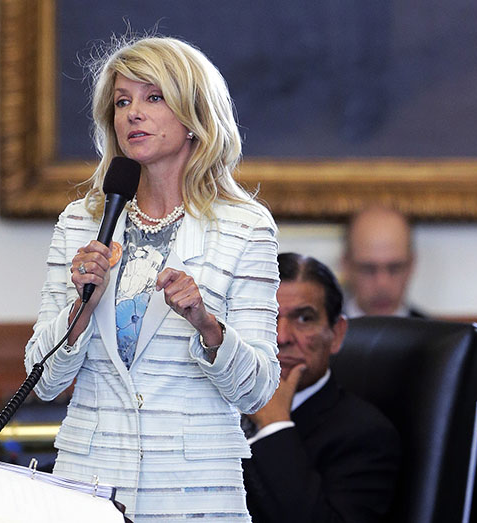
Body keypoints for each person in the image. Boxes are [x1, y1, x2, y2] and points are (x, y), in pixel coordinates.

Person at [24, 36, 281, 521]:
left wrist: (207, 325)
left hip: (193, 495)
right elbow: (44, 380)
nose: (132, 114)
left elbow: (258, 390)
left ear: (194, 116)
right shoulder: (81, 223)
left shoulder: (245, 227)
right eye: (122, 102)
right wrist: (82, 310)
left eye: (153, 97)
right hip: (88, 485)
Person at [242, 252, 399, 523]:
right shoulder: (217, 408)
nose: (281, 337)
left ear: (336, 334)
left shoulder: (365, 436)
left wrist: (275, 426)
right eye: (267, 317)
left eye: (304, 319)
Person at [341, 206, 423, 318]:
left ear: (411, 266)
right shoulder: (320, 334)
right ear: (346, 266)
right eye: (368, 269)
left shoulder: (439, 335)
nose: (382, 284)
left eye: (394, 269)